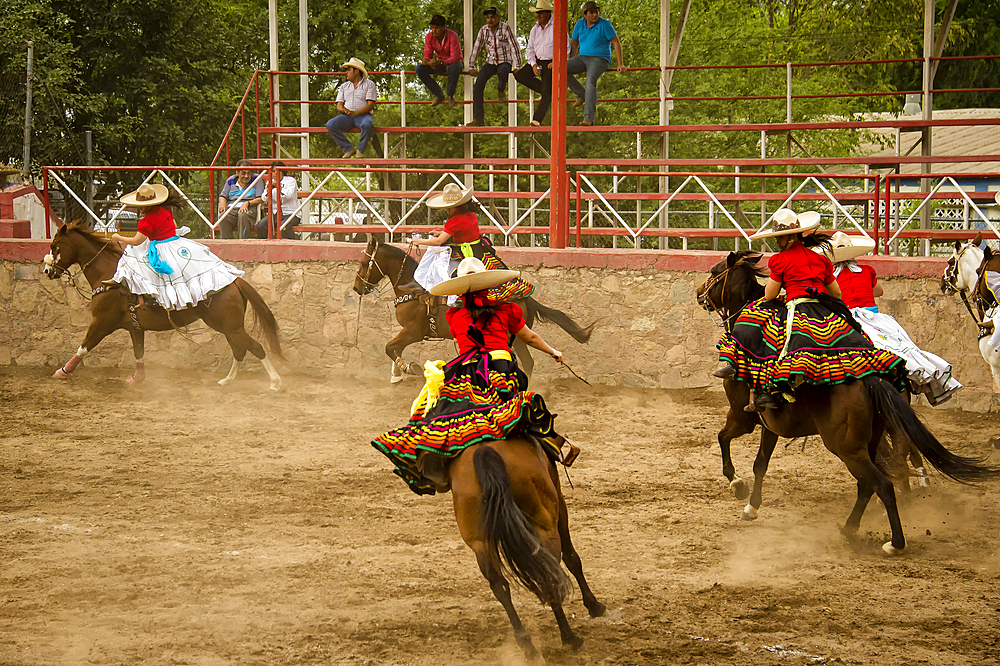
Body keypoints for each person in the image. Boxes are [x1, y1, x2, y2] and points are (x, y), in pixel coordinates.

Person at [371, 258, 579, 496]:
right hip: (500, 369)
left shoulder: (454, 316)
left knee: (438, 413)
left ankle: (438, 467)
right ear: (488, 284)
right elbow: (529, 337)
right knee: (518, 408)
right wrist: (554, 352)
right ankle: (555, 443)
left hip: (466, 371)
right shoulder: (508, 309)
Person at [714, 209, 907, 411]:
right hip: (822, 308)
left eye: (779, 237)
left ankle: (755, 381)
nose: (777, 242)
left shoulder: (780, 260)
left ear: (790, 237)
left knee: (752, 321)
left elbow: (770, 295)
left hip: (796, 308)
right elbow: (836, 294)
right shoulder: (821, 259)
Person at [828, 231, 962, 406]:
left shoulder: (831, 277)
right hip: (875, 318)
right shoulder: (867, 270)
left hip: (850, 319)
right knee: (901, 346)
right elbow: (879, 292)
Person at [109, 183, 244, 310]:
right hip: (175, 243)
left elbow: (137, 241)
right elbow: (172, 226)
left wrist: (118, 237)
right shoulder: (165, 210)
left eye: (141, 205)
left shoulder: (146, 221)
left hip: (161, 246)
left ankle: (142, 292)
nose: (140, 207)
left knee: (131, 254)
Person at [409, 183, 533, 304]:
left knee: (447, 272)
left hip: (467, 253)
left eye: (448, 206)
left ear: (455, 206)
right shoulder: (471, 214)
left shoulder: (454, 222)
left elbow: (439, 241)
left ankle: (451, 300)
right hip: (480, 249)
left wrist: (418, 241)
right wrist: (441, 232)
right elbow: (462, 231)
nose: (446, 209)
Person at [567, 1, 624, 126]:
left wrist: (620, 64)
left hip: (600, 58)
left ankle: (589, 118)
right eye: (591, 12)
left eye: (596, 12)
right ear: (585, 14)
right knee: (561, 68)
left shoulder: (605, 24)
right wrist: (572, 60)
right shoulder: (579, 25)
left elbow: (616, 42)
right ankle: (580, 93)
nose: (595, 15)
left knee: (590, 80)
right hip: (583, 57)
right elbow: (574, 43)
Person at [466, 6, 522, 127]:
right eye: (488, 18)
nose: (490, 20)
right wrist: (471, 66)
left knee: (503, 72)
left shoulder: (506, 28)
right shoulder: (483, 30)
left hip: (504, 60)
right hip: (490, 61)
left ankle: (501, 89)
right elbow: (477, 47)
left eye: (492, 17)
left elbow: (514, 46)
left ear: (498, 17)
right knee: (478, 84)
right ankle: (478, 118)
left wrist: (518, 65)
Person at [325, 58, 379, 159]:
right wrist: (345, 110)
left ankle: (360, 150)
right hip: (347, 116)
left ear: (357, 71)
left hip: (363, 116)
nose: (346, 72)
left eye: (349, 70)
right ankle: (348, 149)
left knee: (368, 125)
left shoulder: (369, 84)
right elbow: (339, 105)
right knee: (331, 124)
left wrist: (356, 113)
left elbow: (371, 105)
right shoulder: (344, 86)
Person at [416, 15, 463, 107]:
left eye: (437, 28)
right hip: (440, 64)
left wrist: (441, 62)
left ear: (443, 27)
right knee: (419, 68)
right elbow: (427, 55)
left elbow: (455, 58)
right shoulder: (429, 37)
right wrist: (427, 62)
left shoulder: (452, 35)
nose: (434, 30)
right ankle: (438, 94)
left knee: (454, 67)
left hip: (453, 64)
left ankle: (450, 95)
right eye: (432, 28)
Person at [216, 159, 264, 239]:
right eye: (243, 173)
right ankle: (227, 244)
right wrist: (222, 202)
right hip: (232, 207)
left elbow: (261, 198)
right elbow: (222, 196)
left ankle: (242, 243)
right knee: (223, 216)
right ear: (237, 173)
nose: (246, 176)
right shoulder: (230, 180)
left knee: (243, 215)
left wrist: (247, 203)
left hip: (249, 207)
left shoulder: (256, 179)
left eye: (249, 173)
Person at [259, 161, 299, 240]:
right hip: (275, 214)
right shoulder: (269, 181)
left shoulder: (290, 181)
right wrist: (268, 190)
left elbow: (288, 196)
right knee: (261, 225)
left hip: (290, 213)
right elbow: (264, 198)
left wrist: (278, 187)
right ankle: (266, 247)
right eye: (273, 171)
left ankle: (290, 248)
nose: (274, 173)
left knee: (283, 226)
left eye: (277, 171)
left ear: (282, 171)